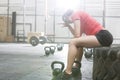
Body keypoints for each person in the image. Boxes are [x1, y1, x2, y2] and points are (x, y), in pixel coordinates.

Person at [58, 9, 113, 80]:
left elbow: (77, 36)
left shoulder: (75, 14)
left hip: (103, 35)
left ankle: (67, 72)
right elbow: (77, 36)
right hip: (103, 37)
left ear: (68, 15)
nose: (67, 21)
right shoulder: (80, 20)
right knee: (78, 43)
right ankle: (77, 66)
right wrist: (69, 26)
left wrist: (69, 25)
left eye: (66, 19)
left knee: (72, 42)